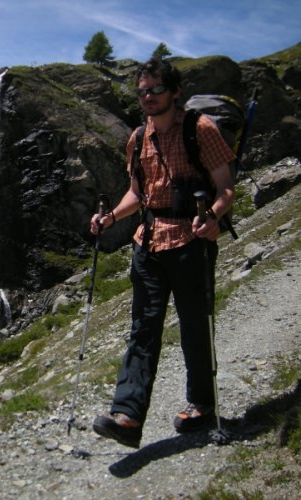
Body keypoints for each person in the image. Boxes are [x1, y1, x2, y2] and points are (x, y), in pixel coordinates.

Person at [89, 58, 235, 448]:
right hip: (149, 242)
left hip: (192, 241)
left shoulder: (199, 130)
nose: (148, 98)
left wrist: (214, 217)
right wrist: (110, 218)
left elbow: (225, 188)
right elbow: (137, 194)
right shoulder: (137, 138)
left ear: (174, 92)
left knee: (194, 328)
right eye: (142, 91)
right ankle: (128, 416)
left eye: (155, 90)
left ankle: (202, 404)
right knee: (143, 329)